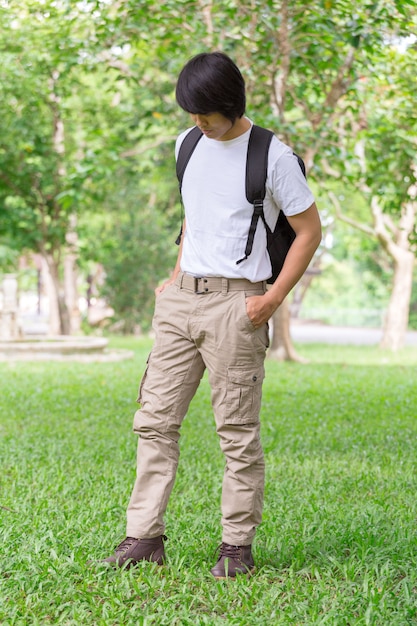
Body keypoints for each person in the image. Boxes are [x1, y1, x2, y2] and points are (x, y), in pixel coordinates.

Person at [103, 51, 322, 578]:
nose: (197, 122)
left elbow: (309, 232)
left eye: (206, 114)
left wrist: (269, 300)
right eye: (192, 113)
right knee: (154, 421)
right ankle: (143, 537)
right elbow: (194, 219)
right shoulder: (188, 144)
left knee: (237, 431)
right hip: (181, 300)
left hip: (237, 304)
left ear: (231, 103)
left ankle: (236, 547)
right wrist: (174, 276)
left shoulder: (273, 156)